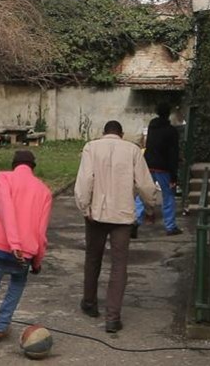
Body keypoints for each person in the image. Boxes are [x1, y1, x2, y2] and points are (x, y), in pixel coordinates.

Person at [74, 121, 159, 334]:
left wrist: (85, 207)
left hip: (96, 213)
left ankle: (90, 303)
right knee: (119, 264)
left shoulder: (91, 148)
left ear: (104, 133)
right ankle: (113, 317)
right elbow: (144, 183)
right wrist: (151, 206)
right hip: (122, 214)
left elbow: (85, 181)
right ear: (121, 134)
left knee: (93, 258)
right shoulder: (132, 150)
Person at [0, 150, 53, 363]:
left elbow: (5, 209)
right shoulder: (44, 191)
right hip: (25, 253)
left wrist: (13, 242)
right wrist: (36, 261)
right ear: (32, 167)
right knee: (17, 284)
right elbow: (41, 233)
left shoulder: (3, 178)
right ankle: (0, 326)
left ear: (14, 165)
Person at [134, 103, 182, 237]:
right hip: (164, 167)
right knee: (168, 196)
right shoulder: (171, 131)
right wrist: (174, 176)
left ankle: (135, 220)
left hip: (148, 164)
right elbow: (173, 154)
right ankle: (170, 226)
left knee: (142, 194)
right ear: (169, 114)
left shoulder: (152, 127)